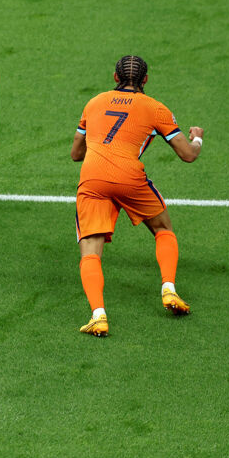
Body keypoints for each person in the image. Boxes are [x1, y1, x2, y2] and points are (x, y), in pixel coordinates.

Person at [71, 55, 204, 337]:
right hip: (129, 177)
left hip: (92, 179)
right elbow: (188, 154)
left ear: (115, 78)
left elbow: (76, 154)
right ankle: (168, 289)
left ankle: (98, 315)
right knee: (162, 229)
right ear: (145, 80)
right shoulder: (155, 108)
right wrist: (197, 137)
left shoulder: (93, 102)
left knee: (90, 250)